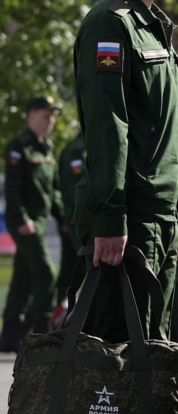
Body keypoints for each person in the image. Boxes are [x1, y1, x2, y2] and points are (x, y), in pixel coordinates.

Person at [72, 0, 178, 342]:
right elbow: (110, 128)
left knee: (152, 359)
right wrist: (110, 218)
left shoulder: (154, 29)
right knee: (115, 366)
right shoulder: (111, 25)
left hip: (158, 218)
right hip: (128, 222)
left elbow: (169, 134)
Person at [0, 96, 65, 351]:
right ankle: (40, 329)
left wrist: (63, 219)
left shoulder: (46, 147)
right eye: (45, 115)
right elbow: (12, 189)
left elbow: (54, 192)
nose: (50, 120)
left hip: (39, 219)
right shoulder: (20, 146)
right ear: (30, 114)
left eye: (53, 115)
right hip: (24, 221)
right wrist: (23, 219)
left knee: (22, 278)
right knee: (46, 272)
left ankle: (10, 335)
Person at [54, 131, 85, 309]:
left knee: (70, 271)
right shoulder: (78, 150)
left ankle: (57, 316)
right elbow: (74, 191)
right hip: (78, 222)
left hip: (76, 221)